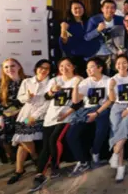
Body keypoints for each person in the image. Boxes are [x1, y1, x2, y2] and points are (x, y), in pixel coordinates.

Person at [29, 58, 81, 192]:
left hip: (66, 117)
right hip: (50, 117)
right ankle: (39, 174)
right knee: (45, 146)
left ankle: (55, 167)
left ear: (73, 67)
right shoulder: (54, 80)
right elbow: (46, 97)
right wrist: (52, 90)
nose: (64, 68)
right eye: (61, 66)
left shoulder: (78, 79)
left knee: (54, 140)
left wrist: (66, 114)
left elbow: (78, 102)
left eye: (68, 65)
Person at [65, 58, 112, 176]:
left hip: (102, 108)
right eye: (87, 67)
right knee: (71, 135)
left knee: (102, 125)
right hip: (86, 109)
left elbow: (110, 100)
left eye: (91, 66)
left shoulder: (108, 81)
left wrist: (97, 113)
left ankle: (95, 152)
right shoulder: (86, 81)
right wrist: (76, 87)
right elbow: (76, 100)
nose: (88, 69)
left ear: (100, 68)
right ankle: (83, 161)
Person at [7, 60, 51, 185]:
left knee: (22, 138)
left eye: (47, 69)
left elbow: (47, 103)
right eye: (41, 67)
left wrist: (35, 117)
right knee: (22, 138)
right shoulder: (27, 81)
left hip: (39, 116)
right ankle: (33, 158)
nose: (43, 70)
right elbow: (21, 98)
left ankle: (20, 169)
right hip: (25, 115)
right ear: (36, 68)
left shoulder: (51, 83)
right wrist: (28, 97)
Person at [0, 58, 26, 182]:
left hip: (22, 115)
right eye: (6, 67)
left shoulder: (27, 81)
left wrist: (11, 114)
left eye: (12, 66)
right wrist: (0, 119)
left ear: (19, 67)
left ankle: (19, 160)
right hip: (2, 117)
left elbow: (27, 103)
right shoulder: (0, 83)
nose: (9, 69)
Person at [108, 55, 128, 182]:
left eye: (124, 63)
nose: (121, 66)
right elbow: (111, 99)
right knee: (118, 135)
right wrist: (111, 87)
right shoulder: (112, 79)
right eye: (118, 64)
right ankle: (120, 167)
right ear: (115, 66)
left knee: (126, 126)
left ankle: (115, 153)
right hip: (117, 107)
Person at [59, 0, 99, 76]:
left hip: (93, 57)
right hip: (76, 60)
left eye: (80, 7)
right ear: (70, 10)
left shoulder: (91, 21)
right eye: (75, 8)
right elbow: (64, 42)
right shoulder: (66, 24)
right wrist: (63, 30)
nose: (78, 10)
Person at [84, 0, 124, 75]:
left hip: (114, 53)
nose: (110, 10)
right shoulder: (94, 20)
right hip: (98, 53)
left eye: (112, 8)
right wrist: (97, 30)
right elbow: (87, 37)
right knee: (99, 75)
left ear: (115, 10)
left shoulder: (120, 19)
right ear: (102, 9)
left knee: (113, 75)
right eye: (107, 7)